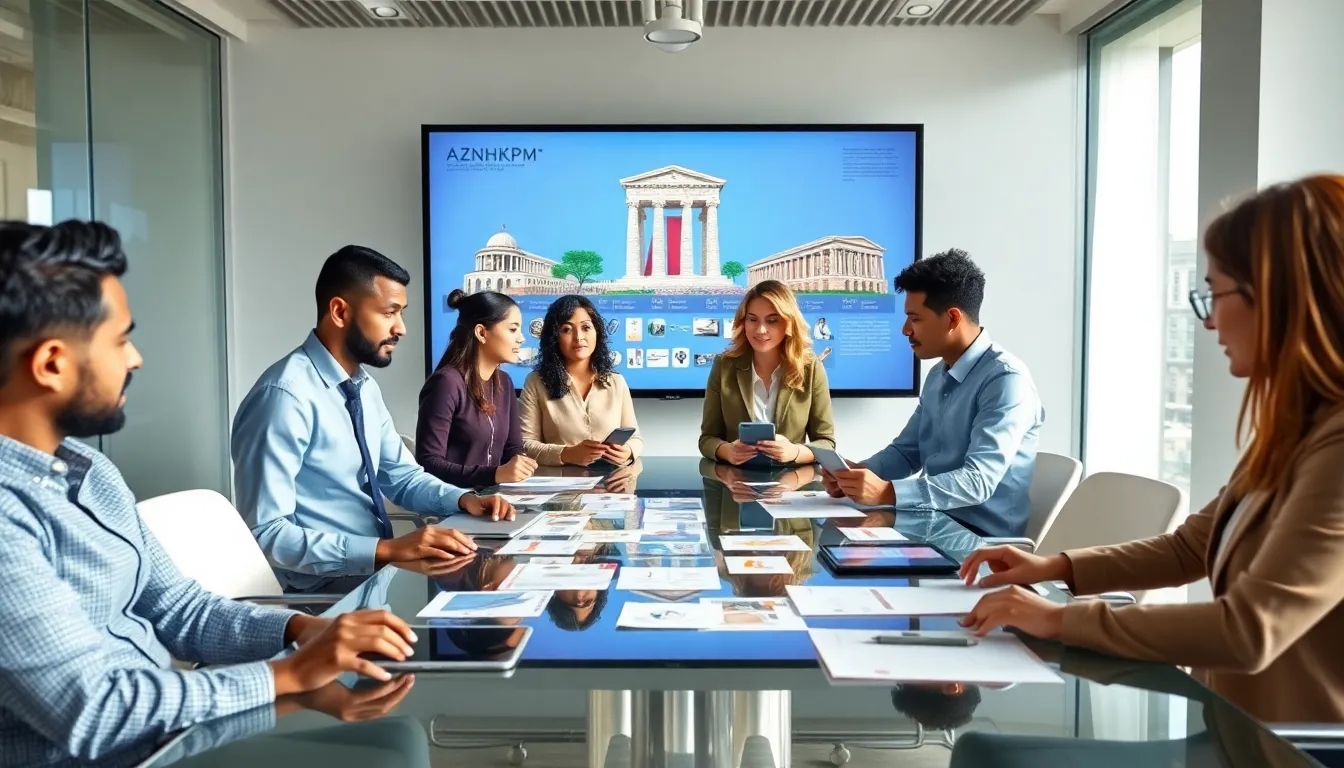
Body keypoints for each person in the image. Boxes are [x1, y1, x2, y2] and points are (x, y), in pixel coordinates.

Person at [0, 221, 418, 765]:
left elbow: (179, 608)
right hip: (123, 753)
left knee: (399, 737)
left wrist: (305, 629)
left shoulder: (90, 472)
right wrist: (286, 676)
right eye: (121, 339)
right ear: (51, 362)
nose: (135, 359)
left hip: (171, 732)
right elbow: (94, 710)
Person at [957, 175, 1344, 725]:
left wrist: (1058, 620)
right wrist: (1052, 566)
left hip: (1289, 750)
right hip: (1235, 730)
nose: (1208, 320)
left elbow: (1250, 629)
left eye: (1216, 293)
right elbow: (1190, 548)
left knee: (990, 755)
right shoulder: (1296, 430)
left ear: (1279, 296)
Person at [232, 246, 511, 594]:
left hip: (376, 577)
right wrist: (386, 550)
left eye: (402, 313)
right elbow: (266, 533)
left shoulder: (363, 387)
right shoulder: (284, 397)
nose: (401, 328)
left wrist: (463, 499)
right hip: (323, 595)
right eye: (389, 313)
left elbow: (401, 478)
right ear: (339, 311)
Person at [823, 249, 1044, 539]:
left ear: (952, 318)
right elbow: (906, 452)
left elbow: (977, 481)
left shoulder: (1006, 381)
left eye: (914, 319)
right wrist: (859, 474)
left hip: (979, 543)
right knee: (829, 547)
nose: (905, 330)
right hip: (930, 523)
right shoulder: (938, 374)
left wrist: (887, 491)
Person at [699, 280, 836, 466]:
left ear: (789, 323)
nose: (760, 330)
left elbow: (827, 443)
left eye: (772, 320)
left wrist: (794, 452)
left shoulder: (811, 368)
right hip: (735, 486)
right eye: (752, 319)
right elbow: (707, 439)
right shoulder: (724, 365)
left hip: (793, 486)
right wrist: (728, 451)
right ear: (743, 322)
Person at [416, 289, 537, 487]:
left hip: (493, 501)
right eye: (513, 329)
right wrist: (495, 475)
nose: (522, 338)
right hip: (452, 505)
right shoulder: (446, 383)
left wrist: (520, 464)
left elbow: (513, 448)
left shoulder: (505, 383)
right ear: (481, 332)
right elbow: (429, 463)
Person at [519, 294, 642, 467]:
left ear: (597, 332)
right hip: (559, 485)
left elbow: (635, 438)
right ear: (554, 337)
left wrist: (628, 451)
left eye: (586, 327)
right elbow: (525, 445)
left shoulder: (616, 381)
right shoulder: (536, 382)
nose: (578, 337)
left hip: (610, 484)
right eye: (567, 329)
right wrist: (566, 454)